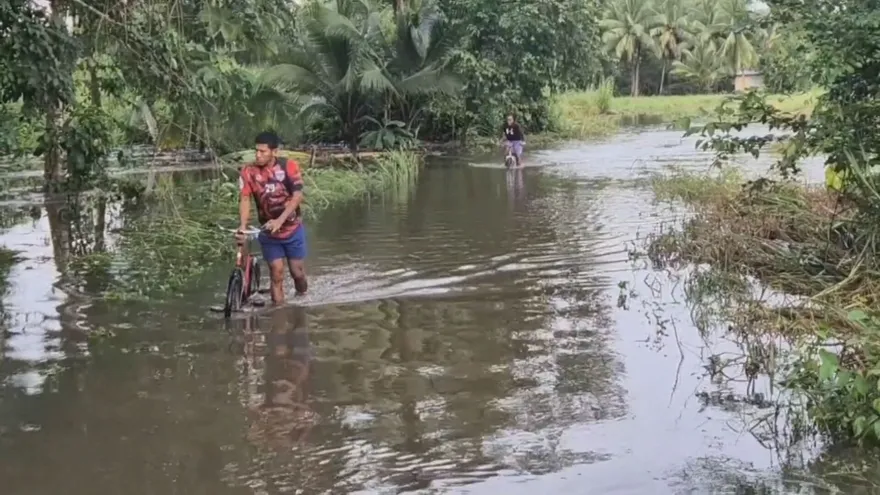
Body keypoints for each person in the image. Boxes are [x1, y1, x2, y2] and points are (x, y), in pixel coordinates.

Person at [237, 131, 308, 304]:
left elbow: (297, 197)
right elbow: (245, 198)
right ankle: (279, 316)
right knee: (276, 274)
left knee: (297, 273)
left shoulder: (288, 166)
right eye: (256, 151)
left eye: (263, 151)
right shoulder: (248, 171)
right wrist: (242, 225)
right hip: (269, 233)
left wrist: (279, 221)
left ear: (274, 152)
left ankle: (303, 298)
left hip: (292, 229)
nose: (258, 155)